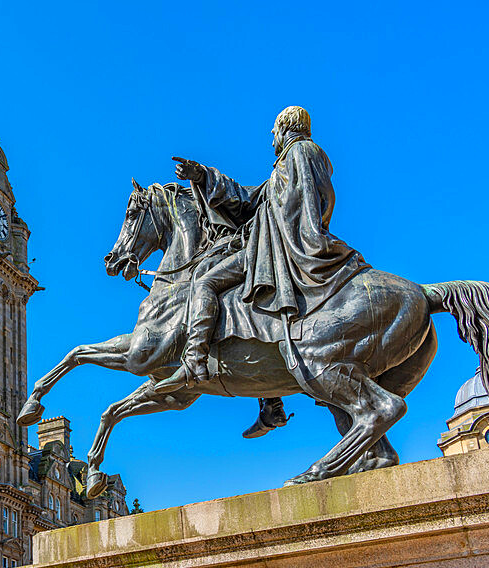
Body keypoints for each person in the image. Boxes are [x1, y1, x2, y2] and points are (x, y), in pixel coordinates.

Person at [154, 106, 370, 438]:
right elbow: (251, 200)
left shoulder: (300, 152)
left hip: (279, 246)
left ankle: (194, 361)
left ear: (286, 127)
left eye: (273, 131)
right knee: (248, 307)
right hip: (270, 241)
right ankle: (271, 402)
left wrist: (284, 235)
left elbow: (301, 207)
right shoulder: (292, 160)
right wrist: (203, 176)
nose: (272, 138)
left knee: (206, 281)